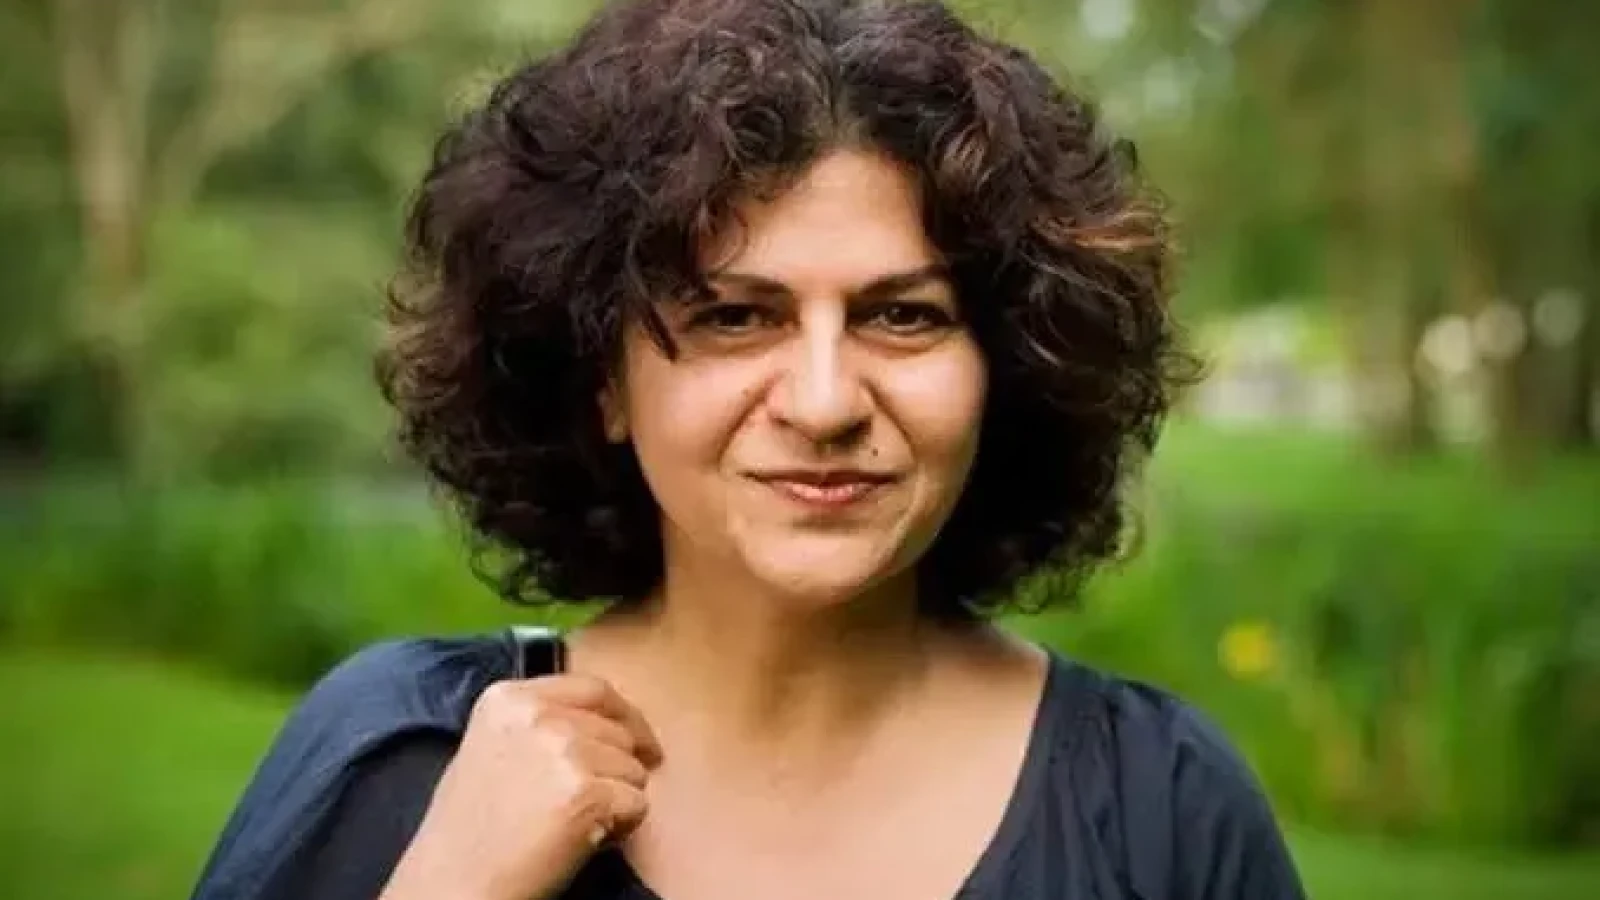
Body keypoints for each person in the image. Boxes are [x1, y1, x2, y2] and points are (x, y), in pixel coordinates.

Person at [191, 1, 1307, 898]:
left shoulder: (1161, 807)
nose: (823, 403)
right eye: (734, 316)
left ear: (1005, 369)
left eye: (902, 315)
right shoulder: (402, 763)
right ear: (602, 381)